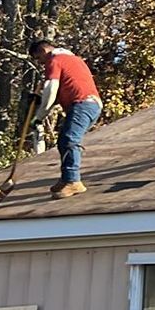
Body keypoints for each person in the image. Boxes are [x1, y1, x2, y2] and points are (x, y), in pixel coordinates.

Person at [30, 38, 103, 199]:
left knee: (70, 139)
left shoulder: (54, 60)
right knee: (64, 140)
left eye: (38, 59)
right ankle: (66, 178)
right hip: (88, 104)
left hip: (84, 103)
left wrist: (39, 117)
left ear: (43, 51)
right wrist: (39, 99)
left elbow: (51, 89)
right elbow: (60, 91)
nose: (41, 64)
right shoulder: (72, 59)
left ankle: (73, 181)